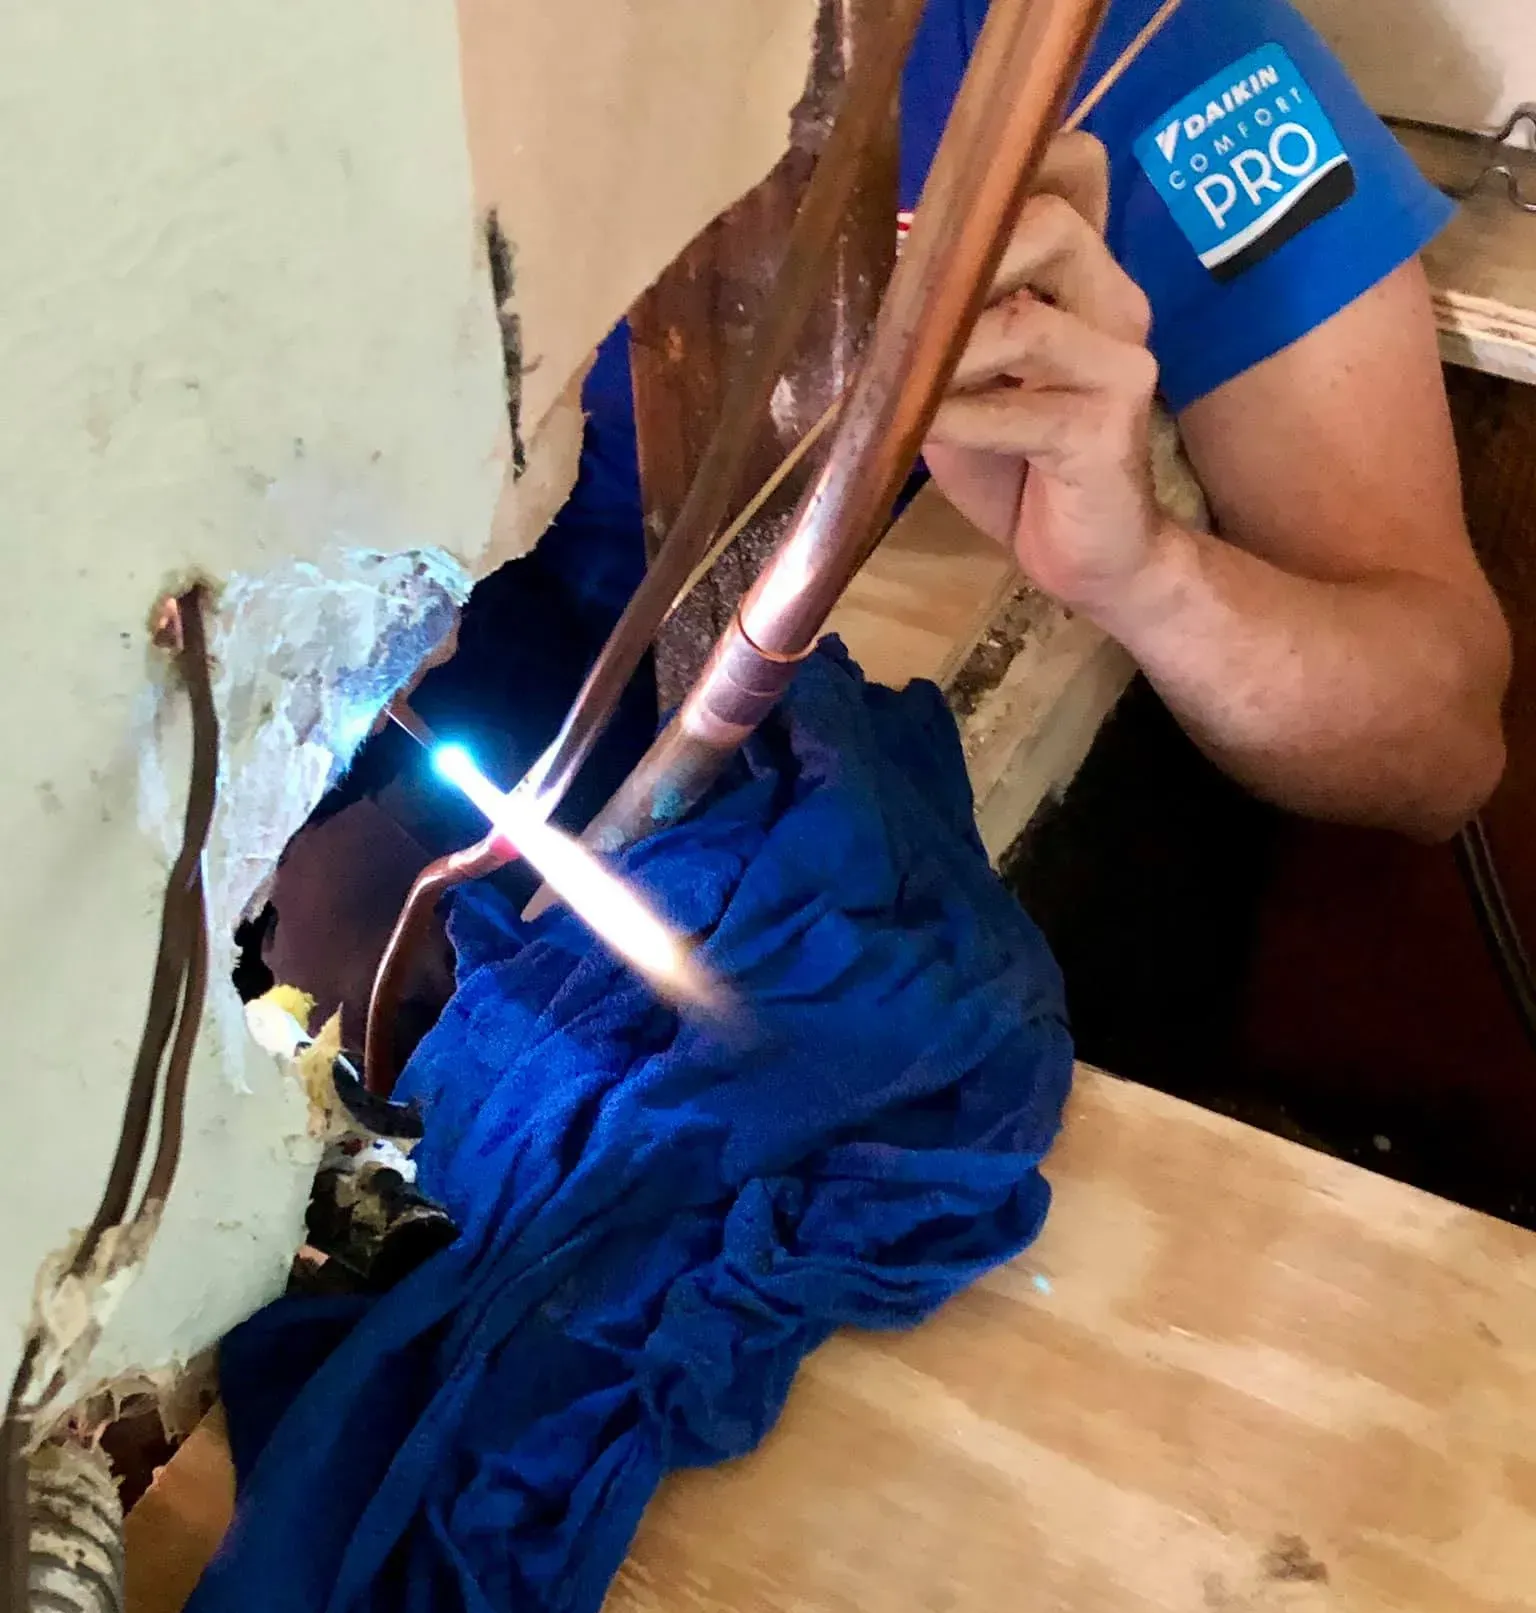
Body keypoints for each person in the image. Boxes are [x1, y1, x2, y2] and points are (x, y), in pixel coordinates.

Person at [266, 0, 1511, 1030]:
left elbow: (1439, 744)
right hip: (371, 756)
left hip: (712, 829)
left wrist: (1144, 574)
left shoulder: (1147, 57)